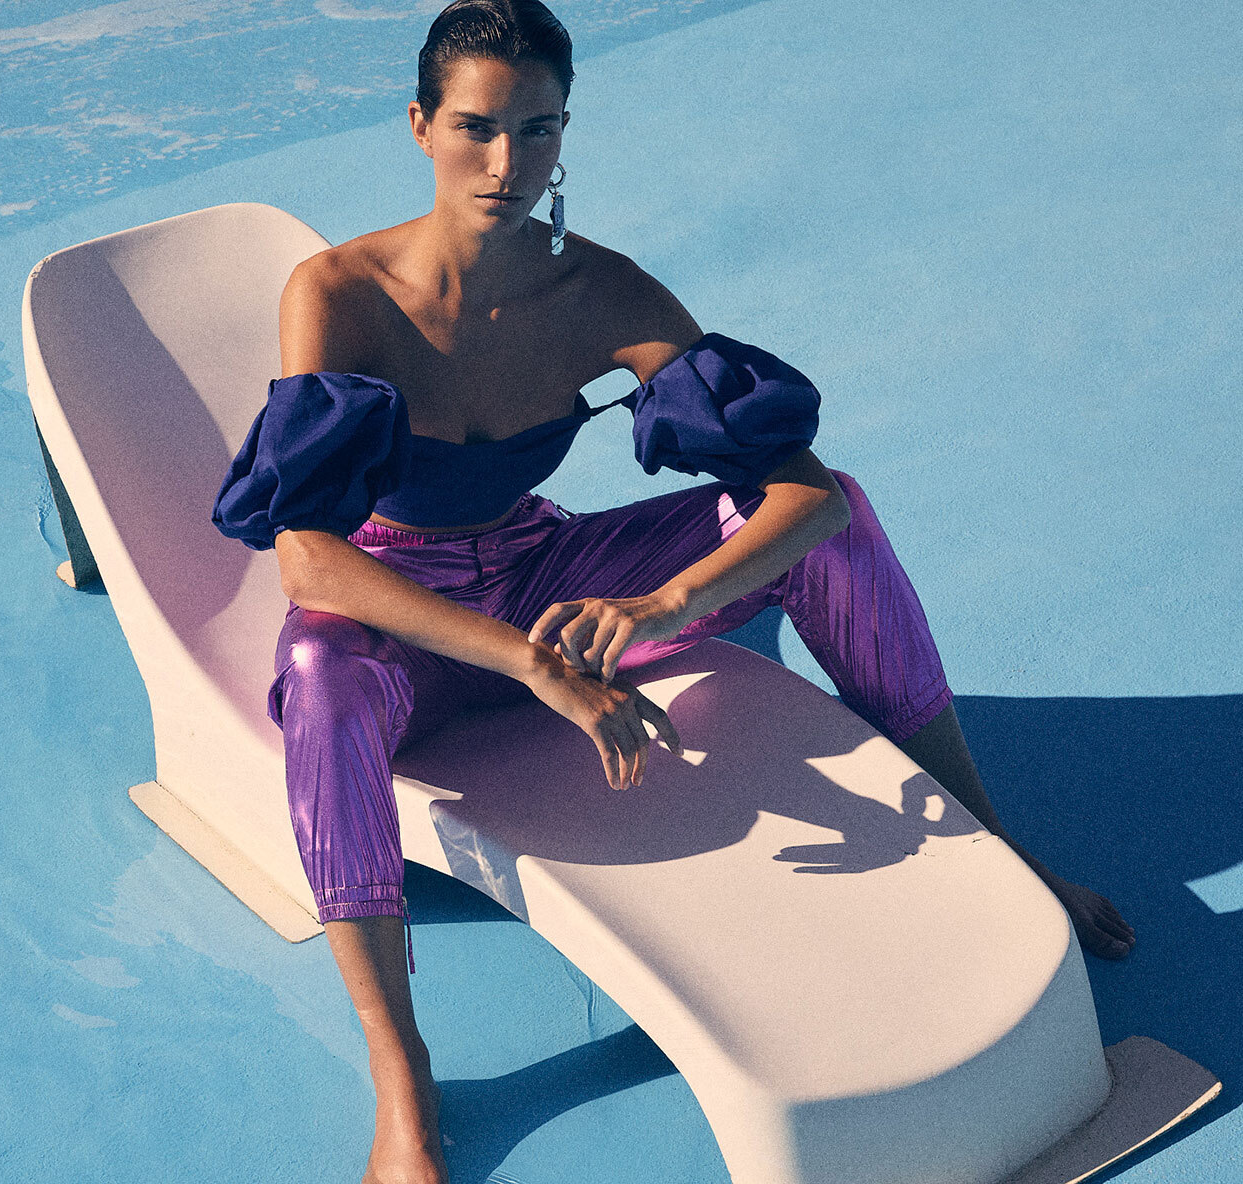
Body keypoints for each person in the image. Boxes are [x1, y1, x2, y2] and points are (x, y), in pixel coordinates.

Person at [212, 2, 1135, 1180]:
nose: (505, 164)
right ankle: (404, 1078)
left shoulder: (604, 294)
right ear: (420, 125)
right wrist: (533, 664)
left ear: (564, 131)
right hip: (406, 614)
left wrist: (663, 606)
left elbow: (812, 499)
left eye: (538, 129)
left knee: (836, 519)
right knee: (316, 670)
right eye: (476, 127)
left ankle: (1002, 851)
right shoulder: (339, 292)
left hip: (544, 575)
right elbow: (307, 559)